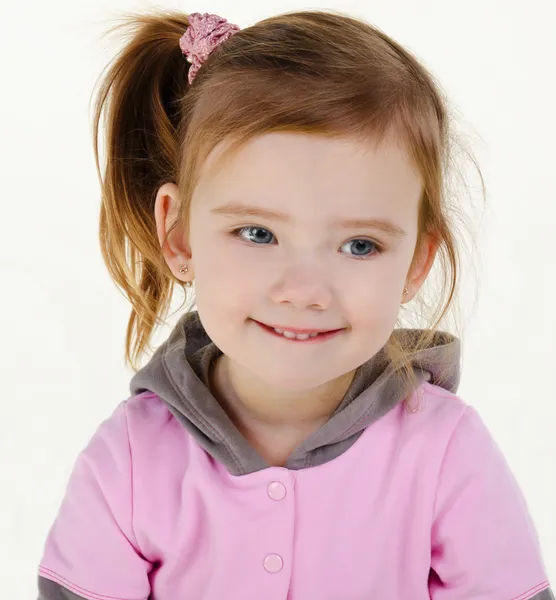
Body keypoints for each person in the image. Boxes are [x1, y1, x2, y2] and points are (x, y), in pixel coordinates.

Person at [36, 9, 553, 600]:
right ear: (179, 236)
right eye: (257, 233)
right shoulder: (130, 460)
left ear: (415, 263)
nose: (305, 290)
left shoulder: (445, 453)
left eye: (360, 245)